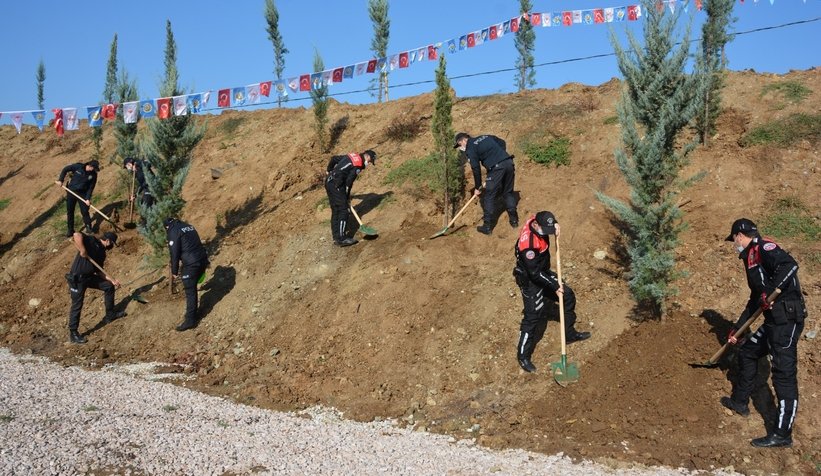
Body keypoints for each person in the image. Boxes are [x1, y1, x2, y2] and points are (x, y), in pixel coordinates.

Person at [721, 218, 806, 448]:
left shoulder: (764, 249)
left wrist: (769, 291)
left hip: (786, 321)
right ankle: (740, 401)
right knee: (747, 351)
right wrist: (737, 329)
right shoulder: (749, 258)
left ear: (740, 235)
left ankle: (782, 434)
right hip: (772, 322)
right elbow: (754, 300)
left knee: (783, 375)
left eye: (734, 240)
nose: (733, 245)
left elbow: (790, 265)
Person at [513, 211, 591, 373]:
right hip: (530, 279)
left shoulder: (536, 219)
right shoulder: (528, 245)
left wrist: (555, 225)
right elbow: (534, 273)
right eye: (546, 229)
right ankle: (523, 356)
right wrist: (554, 285)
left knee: (567, 296)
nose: (549, 232)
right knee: (533, 316)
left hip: (543, 271)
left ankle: (569, 334)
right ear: (535, 226)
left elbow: (545, 217)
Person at [454, 132, 518, 235]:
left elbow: (476, 169)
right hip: (508, 162)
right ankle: (514, 220)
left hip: (497, 168)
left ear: (463, 141)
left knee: (489, 196)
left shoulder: (470, 148)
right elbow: (502, 142)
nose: (460, 148)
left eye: (459, 145)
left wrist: (478, 187)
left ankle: (487, 227)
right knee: (508, 192)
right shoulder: (485, 137)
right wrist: (500, 156)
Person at [65, 231, 123, 344]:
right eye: (112, 243)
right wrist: (82, 250)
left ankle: (110, 315)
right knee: (77, 304)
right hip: (77, 279)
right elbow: (76, 235)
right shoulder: (91, 241)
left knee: (108, 286)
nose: (111, 246)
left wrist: (112, 280)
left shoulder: (102, 252)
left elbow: (99, 271)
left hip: (89, 278)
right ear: (108, 240)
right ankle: (73, 333)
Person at [165, 217, 209, 331]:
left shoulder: (173, 231)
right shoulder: (188, 226)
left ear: (167, 226)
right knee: (193, 285)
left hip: (191, 263)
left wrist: (174, 272)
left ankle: (190, 320)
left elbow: (174, 253)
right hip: (202, 258)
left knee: (190, 289)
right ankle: (193, 313)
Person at [324, 149, 376, 247]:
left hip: (329, 182)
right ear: (368, 157)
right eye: (370, 162)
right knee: (344, 210)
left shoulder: (352, 156)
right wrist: (347, 196)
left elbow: (334, 159)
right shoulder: (358, 164)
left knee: (336, 210)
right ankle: (342, 239)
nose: (368, 164)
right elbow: (349, 182)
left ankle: (336, 237)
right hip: (337, 184)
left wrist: (329, 170)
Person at [55, 160, 99, 237]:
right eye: (93, 168)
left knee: (85, 211)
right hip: (71, 192)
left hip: (82, 194)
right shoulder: (78, 167)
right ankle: (70, 230)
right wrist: (61, 180)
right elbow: (65, 169)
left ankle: (88, 228)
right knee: (70, 211)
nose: (93, 170)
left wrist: (88, 198)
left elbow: (91, 188)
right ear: (89, 165)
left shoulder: (93, 175)